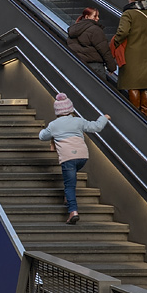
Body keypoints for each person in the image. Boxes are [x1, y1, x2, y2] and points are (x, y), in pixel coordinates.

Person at [39, 92, 111, 224]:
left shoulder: (54, 125)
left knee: (69, 185)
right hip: (82, 157)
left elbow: (42, 136)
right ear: (70, 109)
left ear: (57, 111)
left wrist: (46, 132)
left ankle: (73, 211)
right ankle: (68, 198)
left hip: (68, 158)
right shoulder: (78, 120)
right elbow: (97, 126)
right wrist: (104, 117)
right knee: (71, 178)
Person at [111, 0, 147, 116]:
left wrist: (116, 42)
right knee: (146, 85)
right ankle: (145, 112)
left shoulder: (129, 13)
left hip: (132, 54)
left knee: (133, 84)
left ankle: (136, 113)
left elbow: (123, 32)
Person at [67, 7, 116, 81]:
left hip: (79, 64)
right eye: (95, 16)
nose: (98, 18)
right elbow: (104, 50)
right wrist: (112, 67)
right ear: (87, 17)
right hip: (95, 67)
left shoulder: (73, 29)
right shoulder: (95, 30)